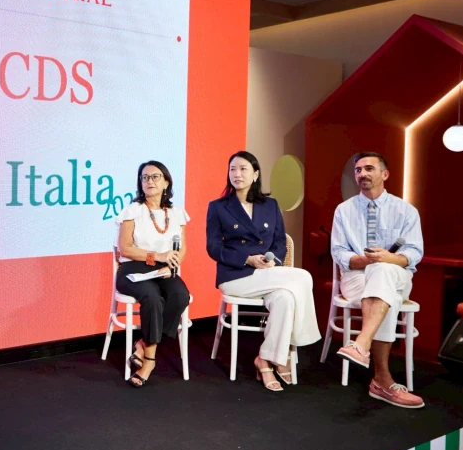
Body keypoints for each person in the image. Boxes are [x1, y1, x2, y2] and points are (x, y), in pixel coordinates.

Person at [205, 151, 320, 391]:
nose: (237, 174)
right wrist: (247, 259)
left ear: (256, 174)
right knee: (303, 276)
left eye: (243, 169)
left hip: (267, 273)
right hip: (235, 275)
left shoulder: (270, 205)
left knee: (285, 298)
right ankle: (289, 350)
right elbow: (213, 248)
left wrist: (273, 261)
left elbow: (279, 242)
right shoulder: (218, 207)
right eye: (233, 169)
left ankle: (265, 359)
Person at [332, 152, 426, 409]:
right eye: (358, 170)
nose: (362, 173)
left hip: (397, 276)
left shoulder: (406, 211)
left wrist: (387, 259)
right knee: (385, 290)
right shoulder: (343, 210)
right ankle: (382, 380)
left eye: (369, 168)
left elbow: (414, 253)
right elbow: (339, 252)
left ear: (384, 174)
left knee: (383, 272)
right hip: (356, 277)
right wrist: (368, 261)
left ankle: (361, 344)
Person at [115, 161, 191, 388]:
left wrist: (173, 264)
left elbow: (182, 248)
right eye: (145, 177)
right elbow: (125, 249)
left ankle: (143, 344)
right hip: (133, 269)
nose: (149, 181)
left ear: (166, 182)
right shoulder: (133, 210)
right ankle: (149, 361)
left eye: (155, 177)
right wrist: (157, 256)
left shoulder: (176, 213)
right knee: (152, 298)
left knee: (180, 296)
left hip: (164, 270)